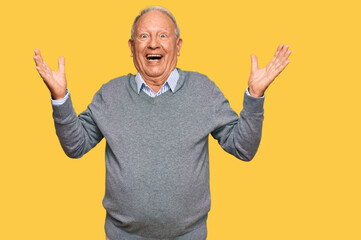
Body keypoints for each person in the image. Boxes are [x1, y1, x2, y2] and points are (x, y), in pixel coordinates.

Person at [33, 6, 291, 240]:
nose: (153, 44)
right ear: (132, 47)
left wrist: (254, 96)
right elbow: (76, 146)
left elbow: (243, 149)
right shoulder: (109, 94)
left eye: (162, 36)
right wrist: (60, 97)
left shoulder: (203, 91)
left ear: (178, 46)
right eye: (144, 36)